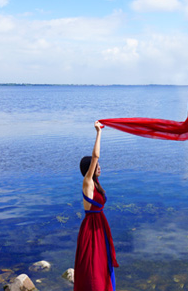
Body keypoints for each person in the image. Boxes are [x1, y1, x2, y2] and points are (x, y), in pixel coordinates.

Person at [74, 121, 119, 291]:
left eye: (98, 166)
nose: (99, 167)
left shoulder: (96, 184)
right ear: (89, 170)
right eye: (96, 167)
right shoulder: (88, 183)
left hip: (100, 226)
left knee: (101, 263)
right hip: (91, 228)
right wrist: (98, 132)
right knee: (92, 265)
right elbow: (95, 156)